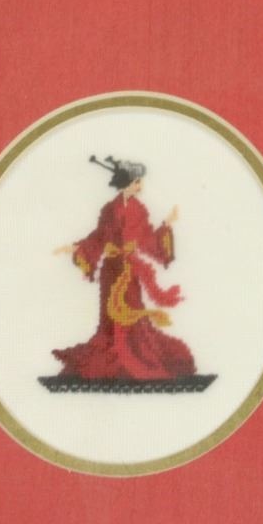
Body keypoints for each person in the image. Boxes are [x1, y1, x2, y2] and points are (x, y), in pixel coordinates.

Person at [50, 156, 195, 380]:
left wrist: (166, 225)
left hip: (129, 269)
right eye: (137, 182)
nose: (140, 186)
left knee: (132, 309)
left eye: (140, 182)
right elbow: (99, 236)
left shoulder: (139, 209)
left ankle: (133, 353)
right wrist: (77, 247)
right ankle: (115, 353)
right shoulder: (109, 209)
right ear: (128, 183)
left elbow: (148, 238)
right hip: (111, 270)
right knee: (111, 317)